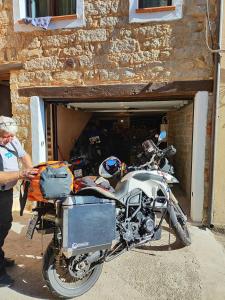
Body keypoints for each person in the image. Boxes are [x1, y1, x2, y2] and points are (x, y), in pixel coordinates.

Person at [0, 116, 38, 287]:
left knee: (5, 225)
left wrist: (30, 169)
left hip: (6, 193)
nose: (9, 139)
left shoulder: (12, 141)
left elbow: (24, 155)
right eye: (5, 136)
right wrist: (21, 174)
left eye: (10, 136)